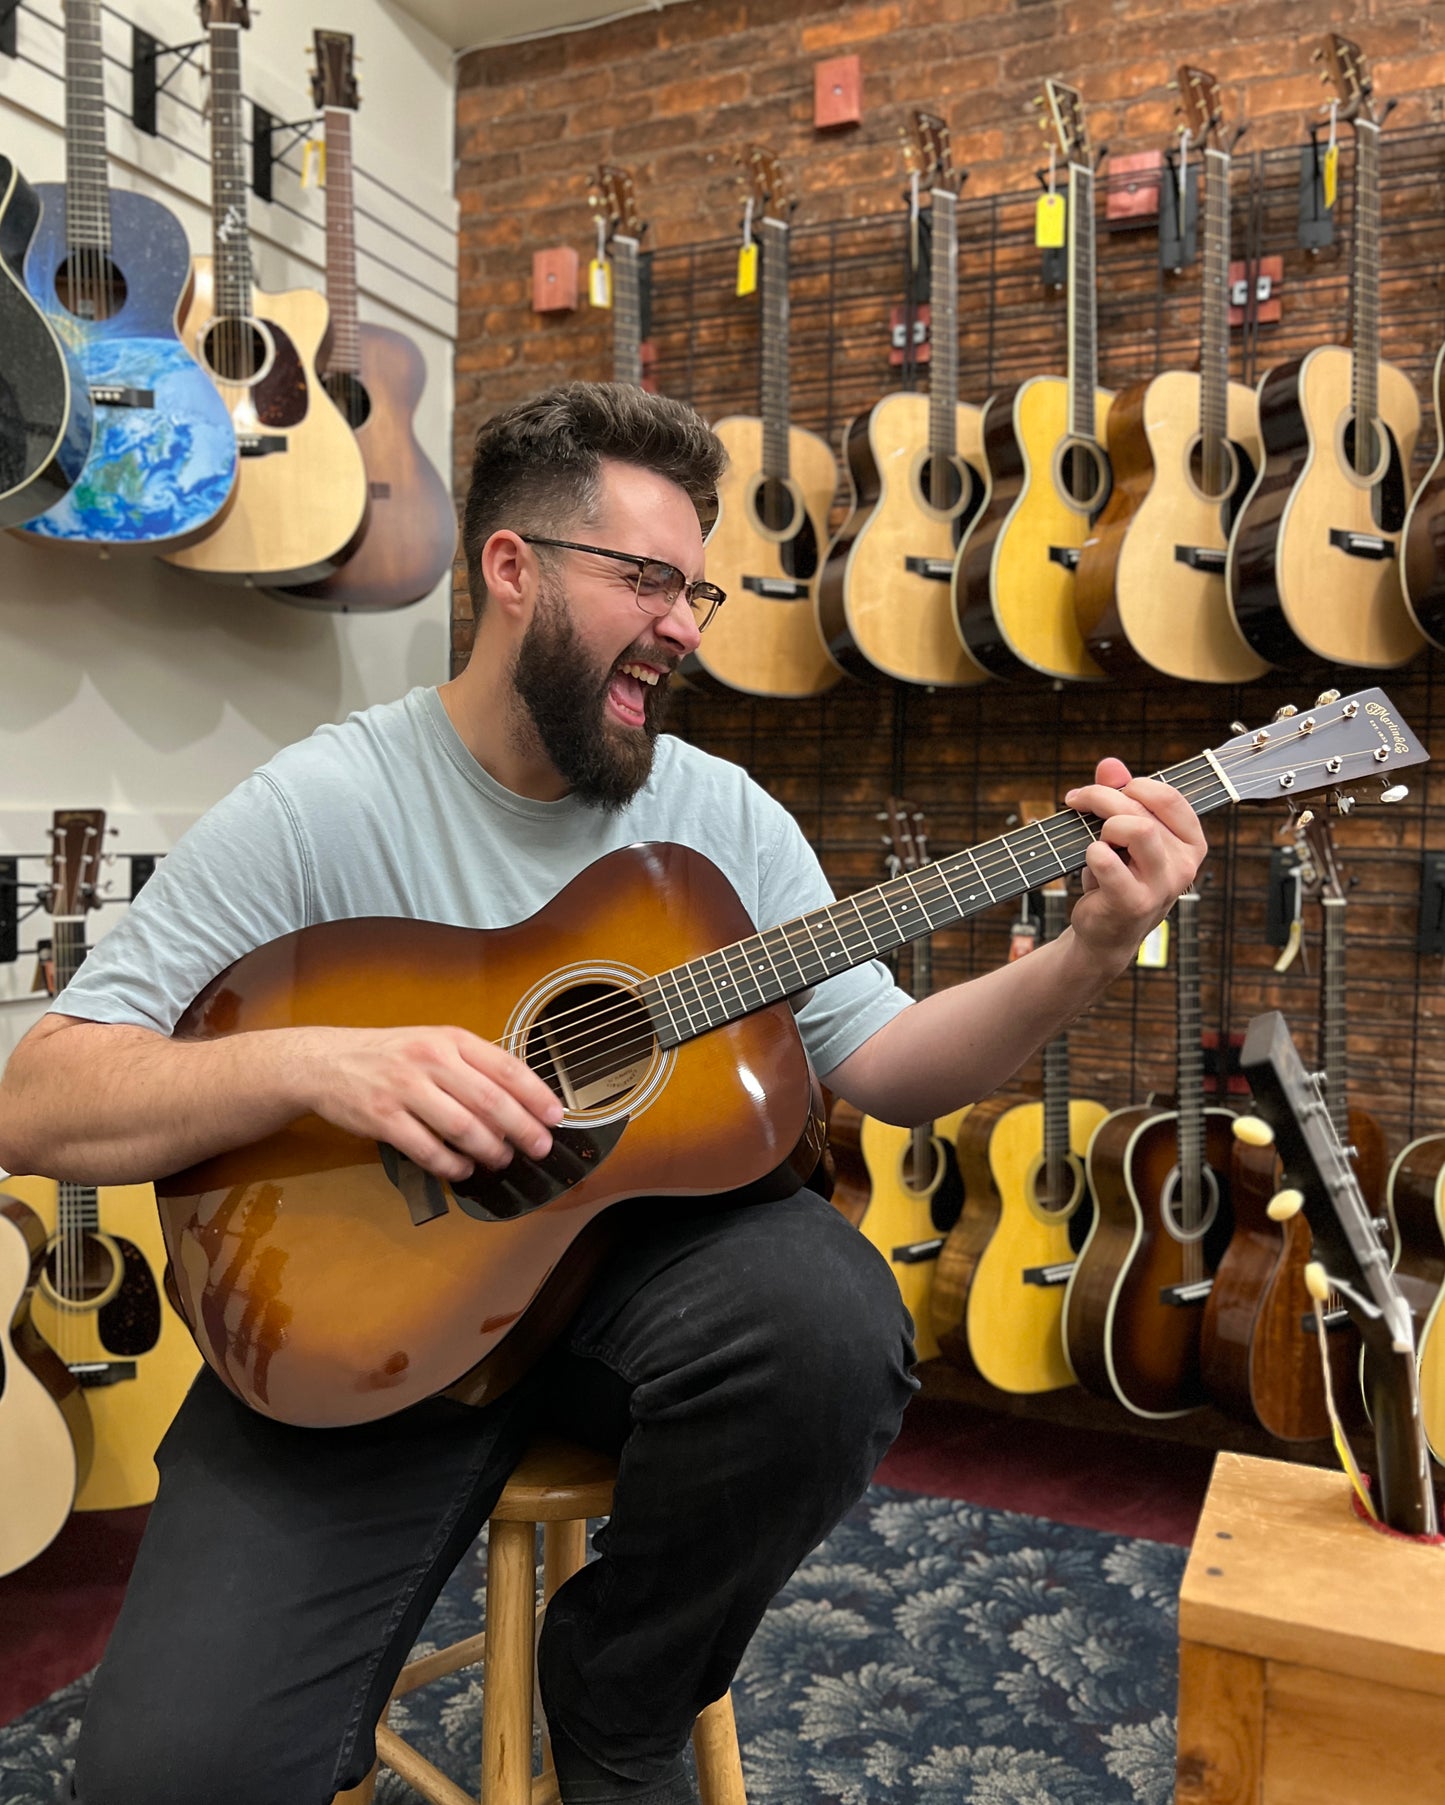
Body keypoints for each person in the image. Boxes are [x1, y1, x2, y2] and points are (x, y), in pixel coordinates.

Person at [0, 381, 1206, 1805]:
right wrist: (324, 1060)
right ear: (511, 571)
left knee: (827, 1316)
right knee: (167, 1781)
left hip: (628, 1306)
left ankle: (618, 1689)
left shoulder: (720, 818)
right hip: (352, 1339)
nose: (688, 625)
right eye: (647, 580)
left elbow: (887, 1069)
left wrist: (1086, 950)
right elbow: (38, 1096)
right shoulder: (322, 804)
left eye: (692, 588)